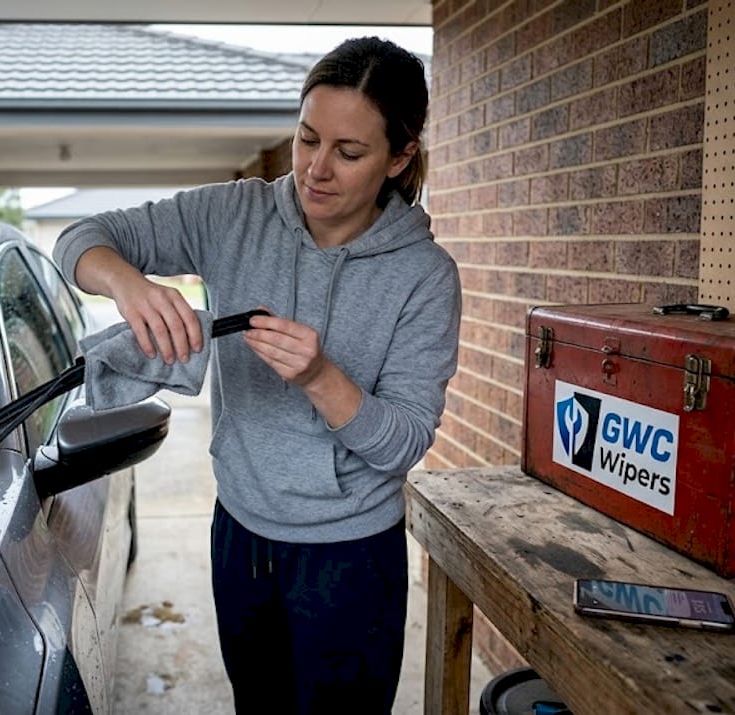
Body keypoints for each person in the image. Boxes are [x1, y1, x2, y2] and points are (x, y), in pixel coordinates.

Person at [54, 36, 461, 714]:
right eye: (307, 139)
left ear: (400, 156)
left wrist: (321, 375)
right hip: (239, 536)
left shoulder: (424, 276)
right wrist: (130, 287)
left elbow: (404, 444)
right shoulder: (233, 215)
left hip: (351, 557)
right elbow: (81, 238)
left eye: (349, 151)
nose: (316, 169)